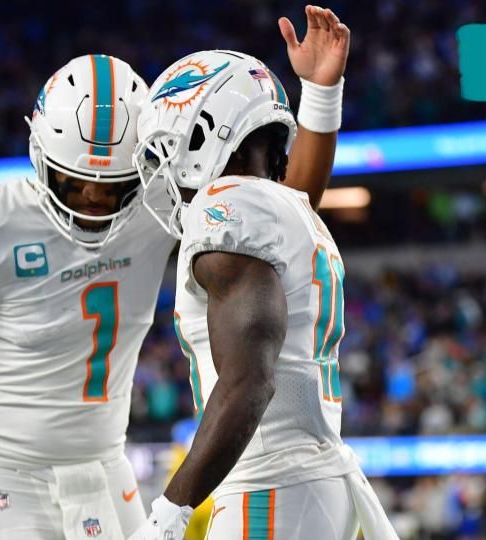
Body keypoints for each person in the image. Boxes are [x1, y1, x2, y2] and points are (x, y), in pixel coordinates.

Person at [0, 6, 348, 539]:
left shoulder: (157, 206)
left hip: (105, 465)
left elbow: (282, 212)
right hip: (0, 467)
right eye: (74, 182)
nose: (94, 199)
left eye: (113, 185)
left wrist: (321, 94)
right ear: (40, 157)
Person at [130, 40, 397, 540]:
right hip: (310, 486)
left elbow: (249, 381)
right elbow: (300, 194)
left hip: (269, 490)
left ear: (202, 136)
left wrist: (169, 514)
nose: (165, 173)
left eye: (167, 149)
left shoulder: (224, 211)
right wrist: (320, 95)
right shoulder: (282, 209)